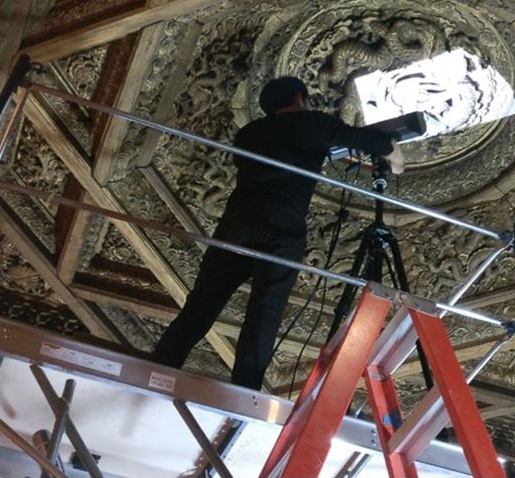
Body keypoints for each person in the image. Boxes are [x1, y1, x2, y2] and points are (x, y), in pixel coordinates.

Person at [152, 76, 404, 389]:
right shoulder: (311, 123)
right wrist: (393, 155)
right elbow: (368, 141)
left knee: (203, 301)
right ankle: (245, 390)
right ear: (300, 98)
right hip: (282, 225)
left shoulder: (249, 133)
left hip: (237, 221)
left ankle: (160, 366)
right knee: (265, 311)